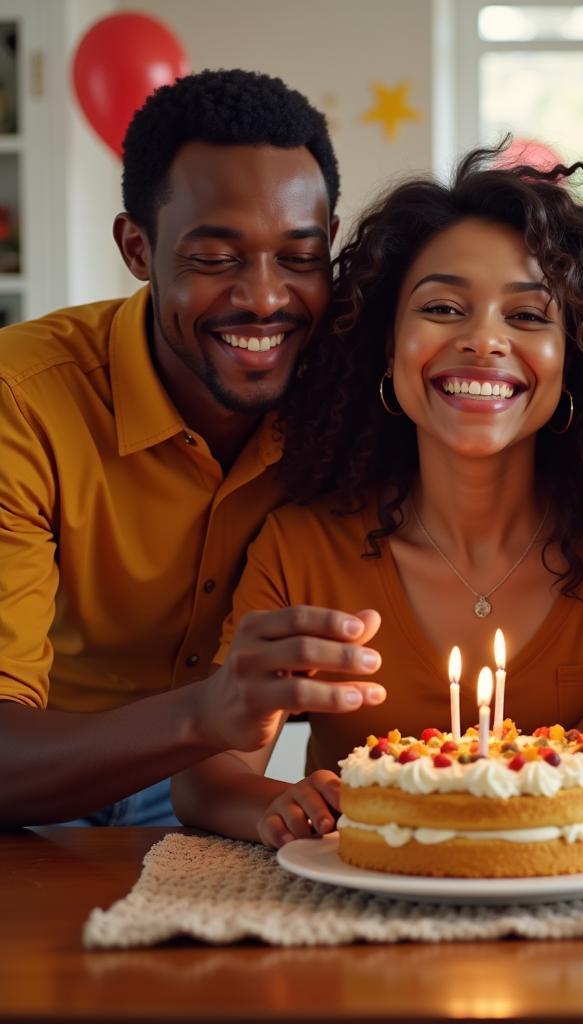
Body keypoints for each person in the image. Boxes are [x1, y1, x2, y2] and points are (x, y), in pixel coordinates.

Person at [172, 146, 583, 847]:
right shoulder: (304, 547)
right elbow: (207, 778)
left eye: (527, 317)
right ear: (384, 345)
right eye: (443, 307)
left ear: (574, 355)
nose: (484, 341)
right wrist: (277, 806)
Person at [0, 69, 386, 828]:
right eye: (216, 258)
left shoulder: (358, 396)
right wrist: (206, 712)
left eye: (300, 257)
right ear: (137, 248)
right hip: (33, 783)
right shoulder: (22, 398)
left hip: (215, 796)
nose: (266, 297)